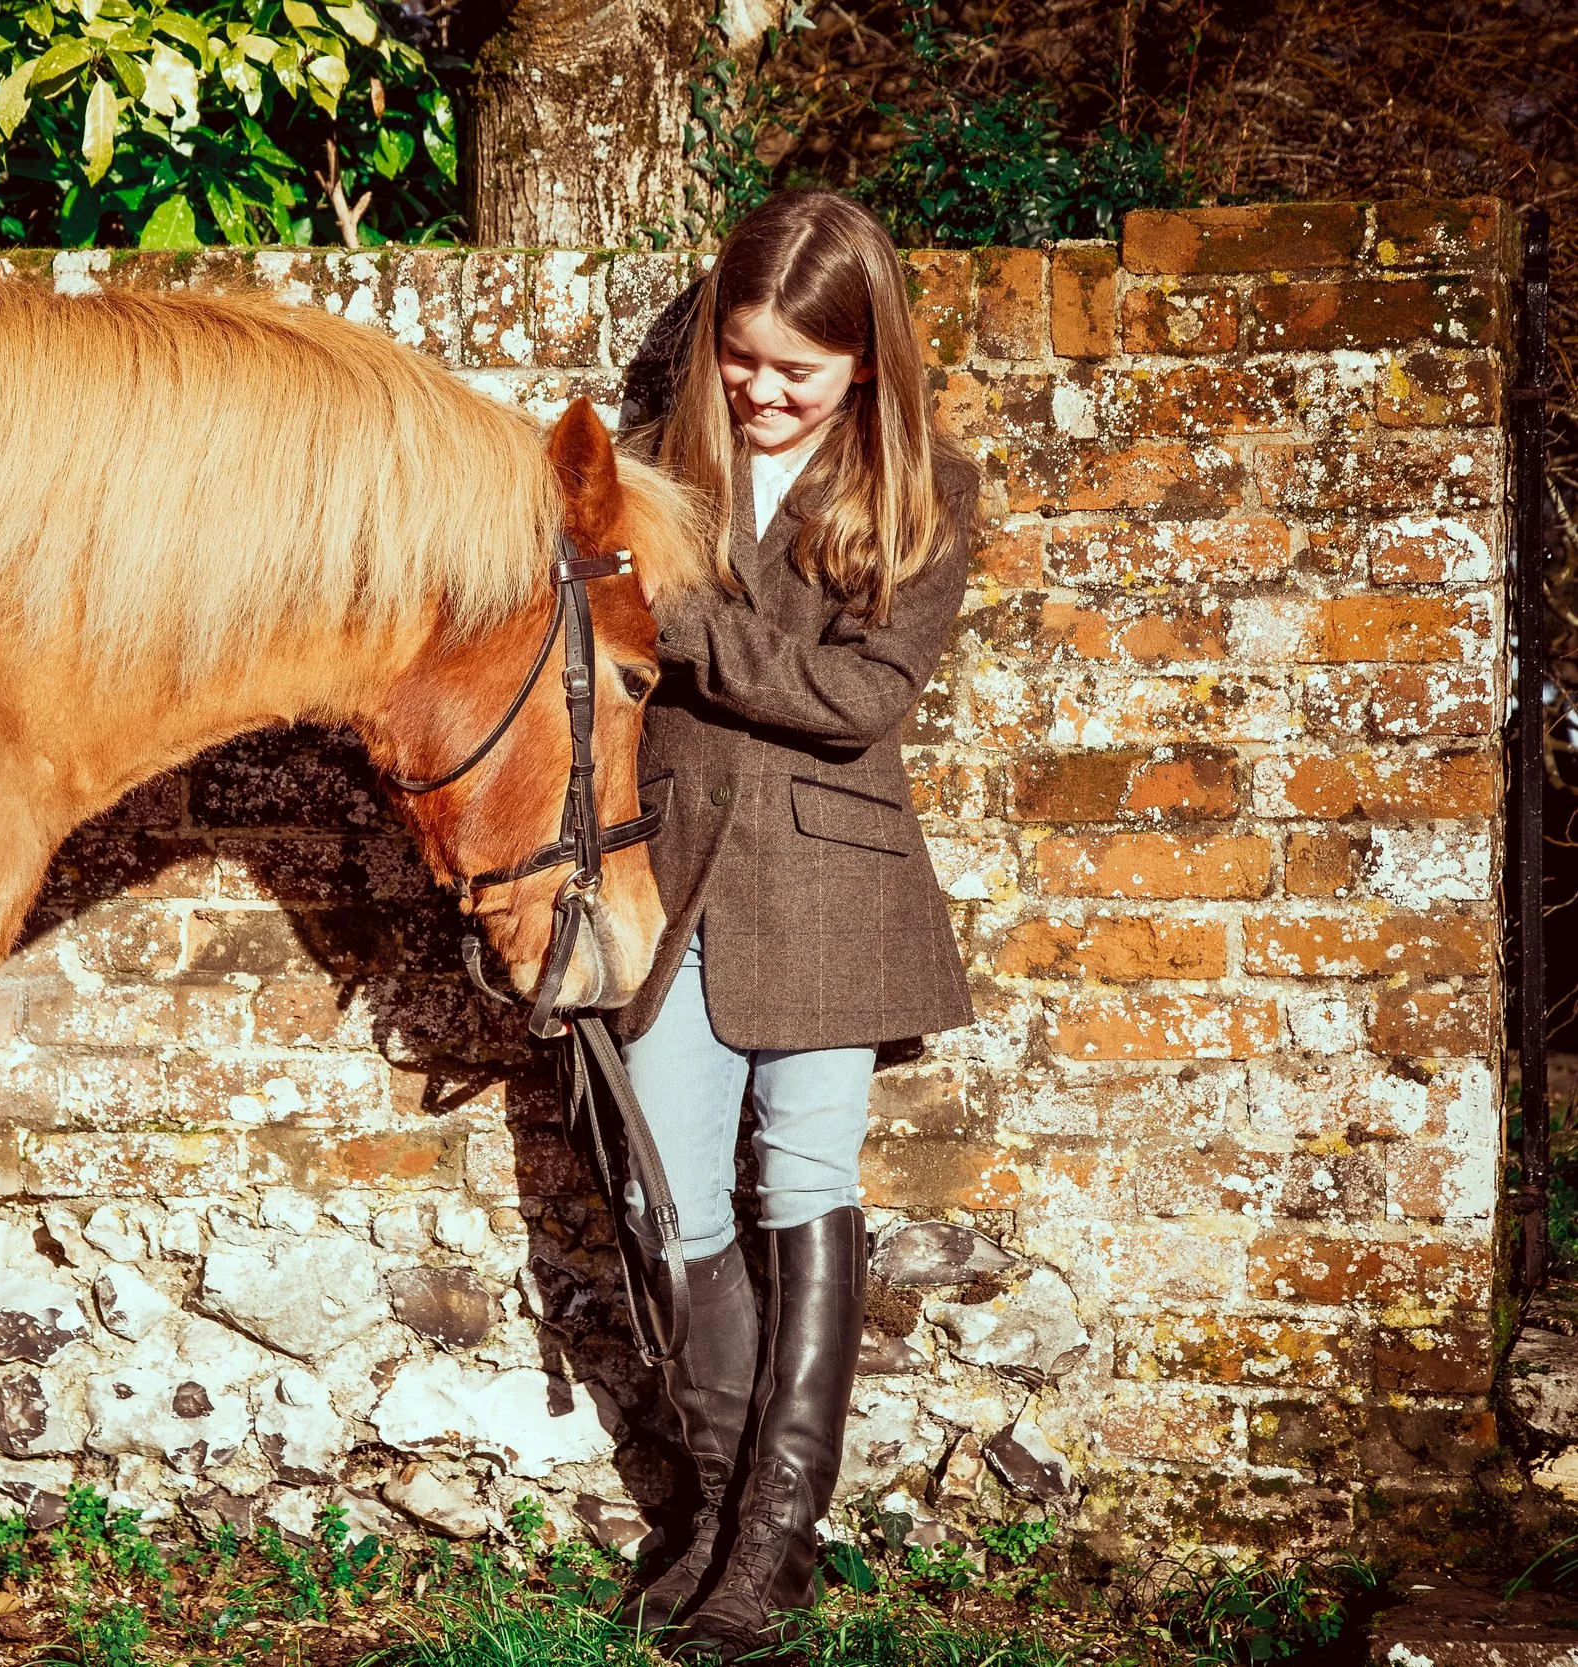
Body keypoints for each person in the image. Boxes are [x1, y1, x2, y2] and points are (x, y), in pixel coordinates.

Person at [610, 189, 979, 1661]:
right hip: (669, 873)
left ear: (864, 366)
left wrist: (685, 615)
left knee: (802, 1179)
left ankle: (771, 1547)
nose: (761, 391)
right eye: (742, 358)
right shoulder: (657, 473)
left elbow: (861, 699)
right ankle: (713, 1510)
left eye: (796, 372)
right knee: (674, 1201)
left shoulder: (920, 493)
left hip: (833, 885)